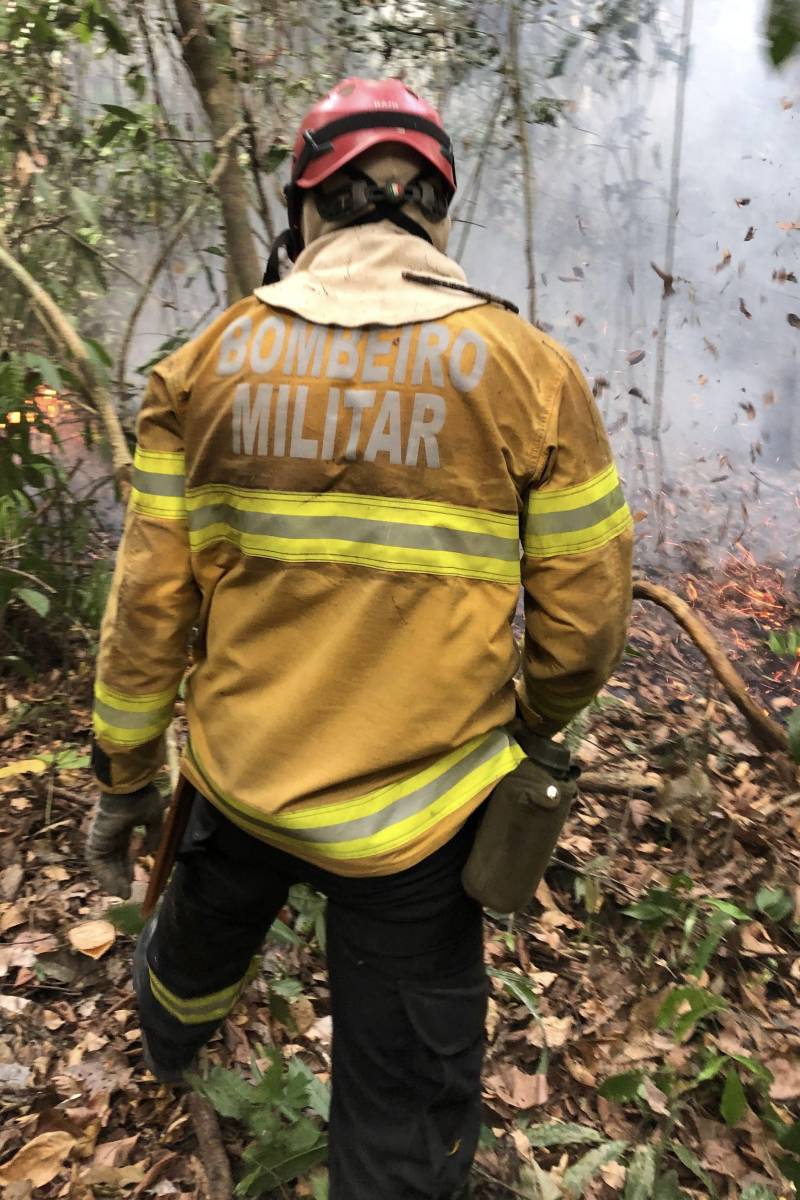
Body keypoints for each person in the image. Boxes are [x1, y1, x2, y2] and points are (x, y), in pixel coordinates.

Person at [86, 77, 633, 1200]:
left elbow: (148, 608)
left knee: (192, 952)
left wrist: (125, 778)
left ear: (305, 210)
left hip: (239, 782)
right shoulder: (529, 372)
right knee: (399, 1107)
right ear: (433, 209)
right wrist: (518, 725)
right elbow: (580, 631)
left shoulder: (203, 364)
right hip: (423, 816)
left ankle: (167, 1046)